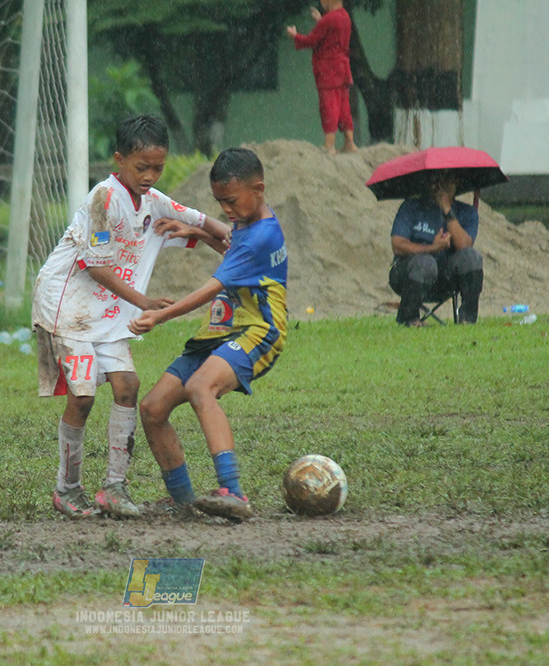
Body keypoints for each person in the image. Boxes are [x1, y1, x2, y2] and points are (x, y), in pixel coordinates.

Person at [32, 115, 230, 520]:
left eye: (158, 167)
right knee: (84, 395)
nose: (150, 175)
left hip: (106, 311)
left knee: (128, 385)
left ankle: (114, 488)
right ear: (119, 160)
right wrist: (143, 301)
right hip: (67, 306)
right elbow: (96, 266)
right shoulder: (105, 199)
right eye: (142, 167)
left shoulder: (154, 200)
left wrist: (241, 242)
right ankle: (66, 489)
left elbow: (207, 225)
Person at [130, 147, 288, 522]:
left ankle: (233, 492)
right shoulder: (252, 224)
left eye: (231, 202)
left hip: (258, 331)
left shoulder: (261, 235)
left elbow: (212, 287)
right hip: (219, 332)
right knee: (152, 410)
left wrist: (161, 316)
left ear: (259, 188)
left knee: (201, 387)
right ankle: (183, 502)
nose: (227, 211)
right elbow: (231, 247)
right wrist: (199, 232)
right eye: (220, 203)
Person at [388, 170, 484, 327]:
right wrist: (432, 248)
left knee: (472, 258)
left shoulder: (467, 212)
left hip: (445, 276)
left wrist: (447, 209)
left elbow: (464, 246)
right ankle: (410, 319)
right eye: (438, 181)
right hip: (409, 275)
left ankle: (467, 319)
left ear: (457, 184)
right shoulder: (411, 207)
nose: (442, 186)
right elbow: (397, 245)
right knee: (425, 263)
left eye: (449, 181)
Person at [287, 0, 357, 154]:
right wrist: (320, 20)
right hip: (343, 69)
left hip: (328, 71)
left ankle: (329, 144)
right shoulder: (345, 17)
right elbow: (332, 33)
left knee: (329, 106)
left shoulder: (329, 19)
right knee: (344, 106)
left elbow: (311, 40)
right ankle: (349, 143)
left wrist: (294, 35)